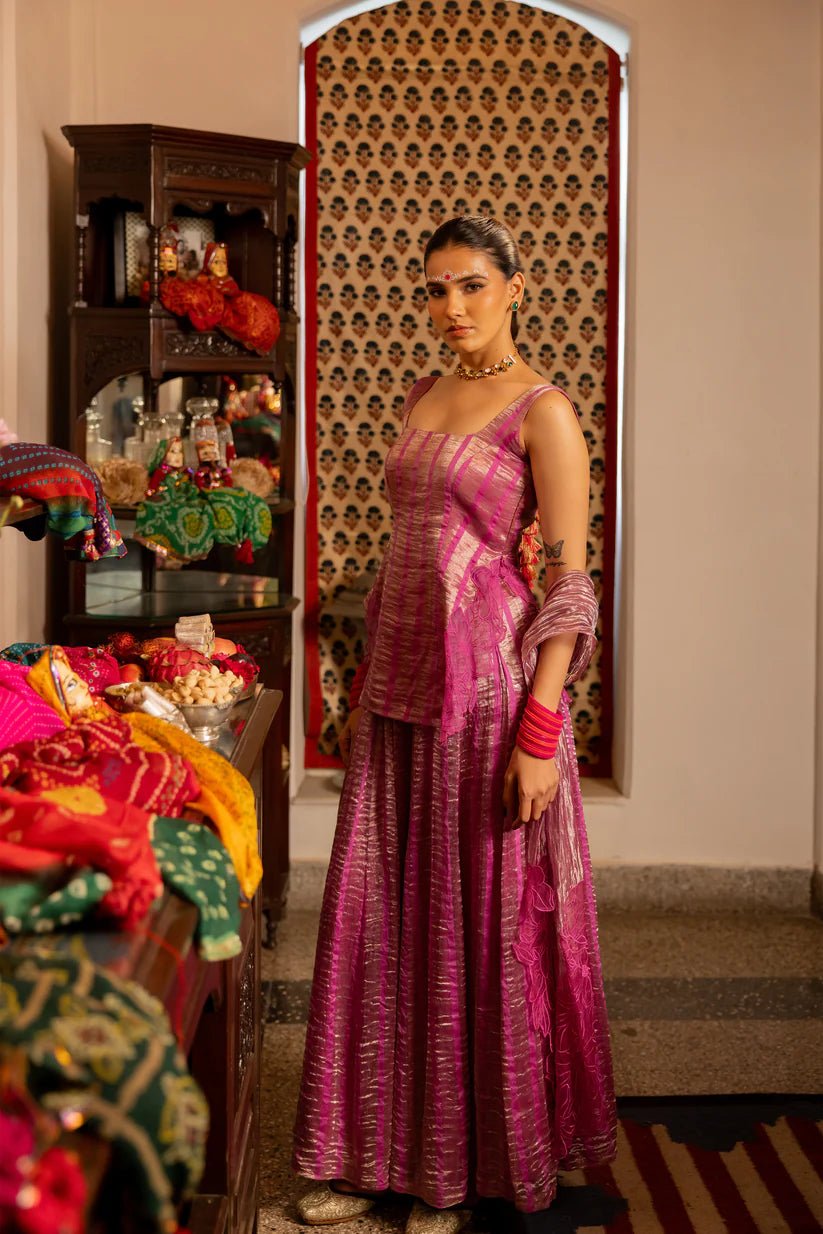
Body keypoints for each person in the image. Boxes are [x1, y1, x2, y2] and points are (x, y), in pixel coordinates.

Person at [292, 215, 617, 1233]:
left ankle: (456, 1170)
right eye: (434, 288)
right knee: (384, 916)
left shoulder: (542, 411)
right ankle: (366, 1155)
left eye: (471, 284)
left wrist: (538, 731)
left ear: (515, 286)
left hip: (486, 696)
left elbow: (569, 583)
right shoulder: (423, 393)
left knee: (470, 922)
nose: (451, 306)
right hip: (397, 682)